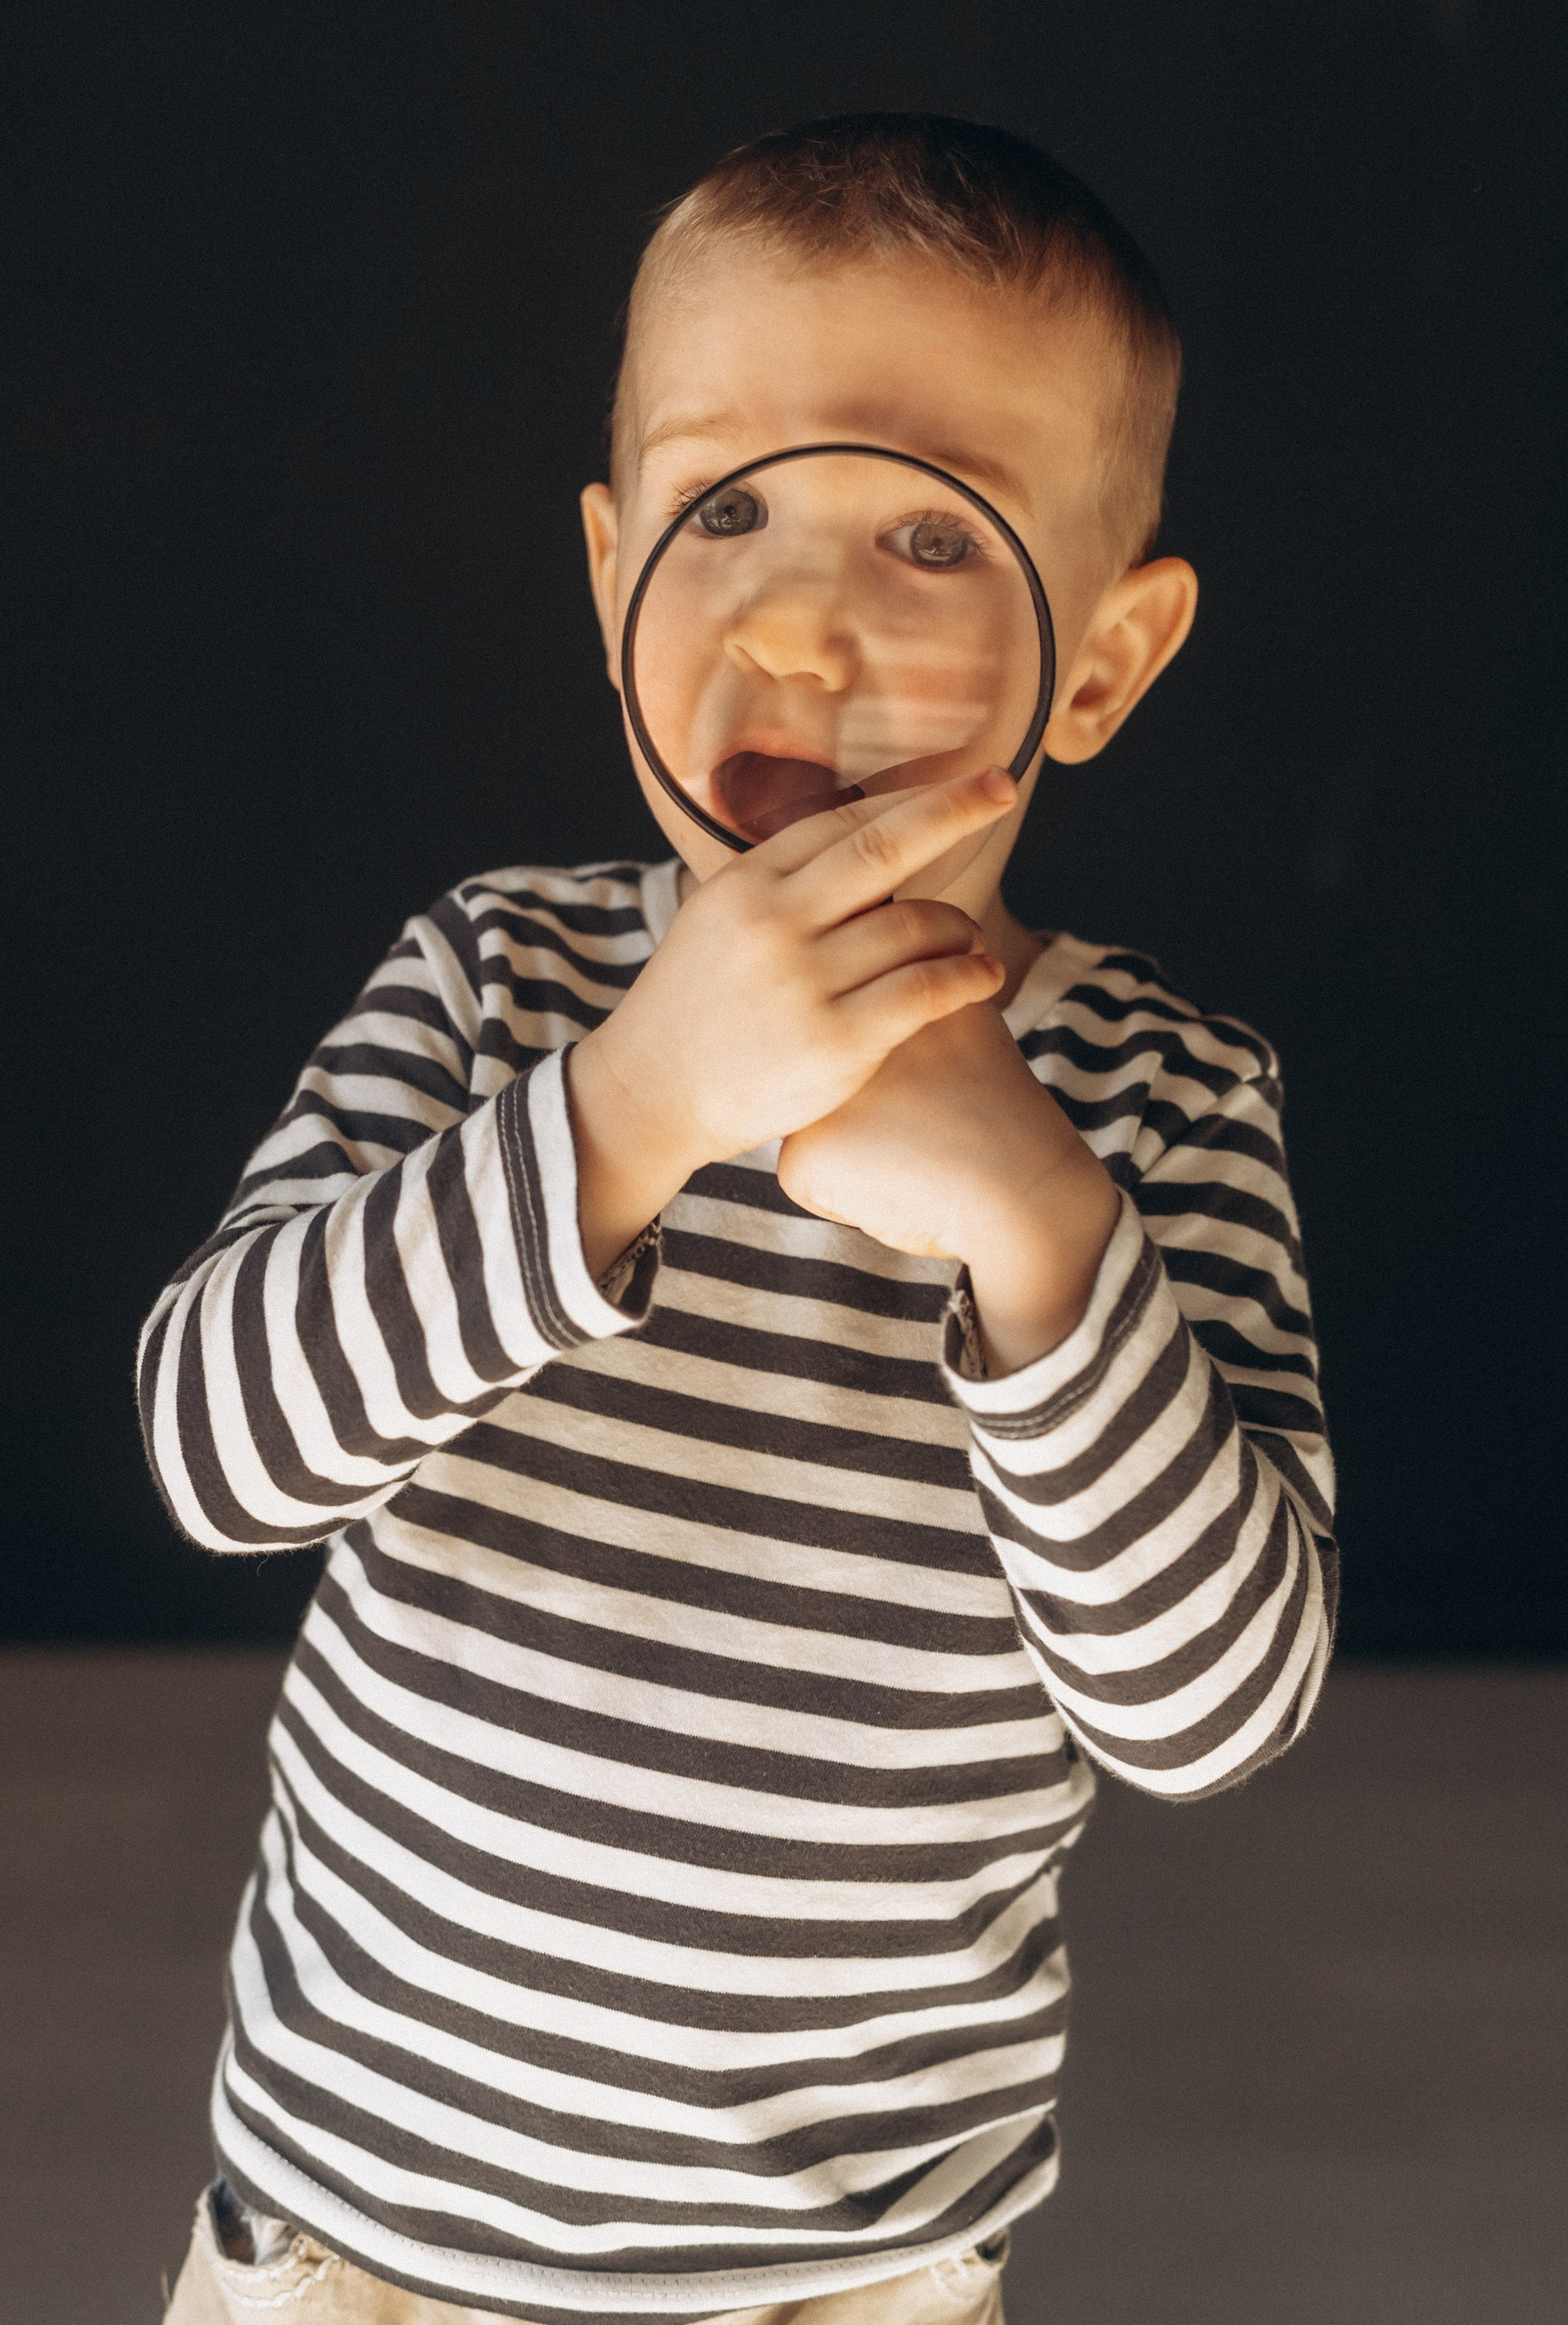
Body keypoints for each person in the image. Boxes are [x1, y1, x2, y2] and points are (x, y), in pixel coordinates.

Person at [143, 116, 1337, 2325]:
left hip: (845, 2283)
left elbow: (1213, 1710)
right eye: (732, 511)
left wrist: (1045, 1241)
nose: (800, 622)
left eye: (922, 531)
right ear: (613, 579)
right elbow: (217, 1450)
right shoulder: (500, 990)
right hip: (361, 2254)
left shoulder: (1162, 1104)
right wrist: (624, 1111)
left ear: (1103, 662)